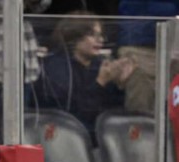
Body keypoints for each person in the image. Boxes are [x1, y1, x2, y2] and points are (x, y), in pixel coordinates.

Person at [35, 13, 133, 141]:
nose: (101, 40)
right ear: (75, 38)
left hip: (99, 138)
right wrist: (100, 82)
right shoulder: (57, 67)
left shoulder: (100, 64)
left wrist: (120, 84)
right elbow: (72, 114)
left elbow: (111, 111)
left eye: (101, 35)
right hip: (62, 136)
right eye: (93, 35)